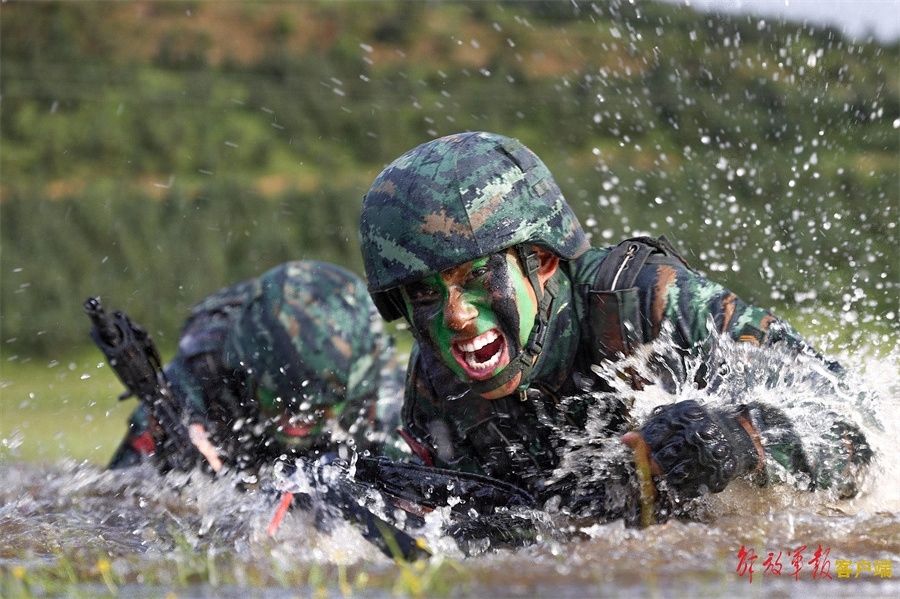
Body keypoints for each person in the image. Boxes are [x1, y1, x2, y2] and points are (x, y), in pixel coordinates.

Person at [358, 131, 872, 524]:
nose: (456, 315)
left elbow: (856, 429)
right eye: (425, 293)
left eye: (475, 278)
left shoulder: (650, 304)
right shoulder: (438, 386)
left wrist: (740, 441)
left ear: (541, 260)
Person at [108, 260, 402, 475]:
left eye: (320, 407)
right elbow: (115, 499)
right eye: (279, 401)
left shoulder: (382, 394)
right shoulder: (203, 370)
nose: (297, 420)